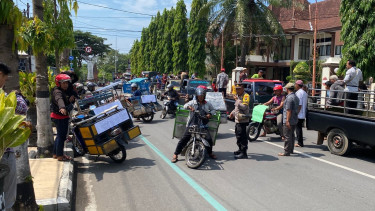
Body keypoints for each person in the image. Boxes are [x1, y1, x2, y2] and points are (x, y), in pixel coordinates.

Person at [171, 87, 217, 163]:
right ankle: (175, 154)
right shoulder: (193, 102)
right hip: (192, 124)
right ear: (197, 96)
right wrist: (189, 107)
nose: (201, 97)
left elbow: (213, 110)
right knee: (184, 139)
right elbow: (185, 106)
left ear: (204, 96)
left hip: (202, 125)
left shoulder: (207, 103)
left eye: (202, 95)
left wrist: (210, 114)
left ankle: (210, 153)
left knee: (209, 139)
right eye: (199, 96)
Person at [51, 74, 74, 162]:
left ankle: (55, 153)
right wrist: (62, 108)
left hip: (60, 116)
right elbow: (59, 99)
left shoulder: (62, 91)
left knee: (59, 136)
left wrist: (69, 100)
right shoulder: (58, 92)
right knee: (62, 136)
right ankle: (60, 155)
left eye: (67, 83)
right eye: (63, 83)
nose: (66, 85)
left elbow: (63, 100)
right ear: (58, 83)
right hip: (59, 117)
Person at [229, 83, 250, 159]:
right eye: (236, 89)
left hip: (243, 120)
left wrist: (237, 101)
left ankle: (244, 153)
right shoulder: (239, 96)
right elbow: (237, 108)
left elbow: (244, 107)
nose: (237, 90)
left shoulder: (246, 96)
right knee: (238, 135)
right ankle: (240, 149)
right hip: (238, 119)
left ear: (242, 88)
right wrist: (232, 113)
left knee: (242, 136)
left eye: (238, 89)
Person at [278, 83, 299, 156]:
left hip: (289, 119)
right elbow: (299, 107)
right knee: (291, 135)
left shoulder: (289, 98)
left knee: (287, 136)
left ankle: (286, 151)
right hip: (294, 119)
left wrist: (287, 120)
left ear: (287, 89)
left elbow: (288, 110)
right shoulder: (296, 97)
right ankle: (291, 150)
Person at [295, 80, 308, 148]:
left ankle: (300, 143)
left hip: (299, 113)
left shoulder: (299, 93)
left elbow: (299, 104)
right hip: (302, 113)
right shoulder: (304, 92)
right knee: (299, 128)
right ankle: (300, 142)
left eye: (295, 84)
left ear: (297, 85)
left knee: (298, 128)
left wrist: (296, 113)